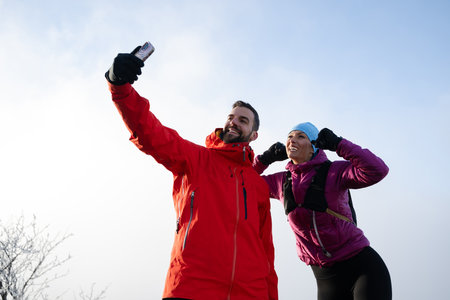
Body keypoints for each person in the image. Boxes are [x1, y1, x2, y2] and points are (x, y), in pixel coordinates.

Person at [104, 46, 278, 300]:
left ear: (254, 135)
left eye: (243, 120)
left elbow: (266, 252)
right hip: (192, 286)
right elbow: (150, 134)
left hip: (250, 292)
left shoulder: (257, 185)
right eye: (231, 117)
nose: (233, 122)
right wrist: (120, 87)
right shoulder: (195, 158)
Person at [253, 122, 392, 300]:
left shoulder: (335, 172)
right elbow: (241, 182)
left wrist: (338, 144)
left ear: (313, 147)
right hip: (325, 278)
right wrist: (264, 160)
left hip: (362, 268)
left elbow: (377, 170)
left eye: (300, 136)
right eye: (289, 136)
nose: (292, 140)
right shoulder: (281, 182)